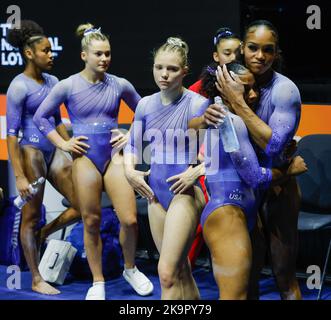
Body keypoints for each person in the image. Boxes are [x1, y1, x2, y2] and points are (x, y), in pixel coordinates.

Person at [33, 23, 153, 300]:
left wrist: (129, 135)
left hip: (112, 158)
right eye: (98, 54)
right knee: (91, 220)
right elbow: (41, 117)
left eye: (108, 53)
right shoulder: (68, 86)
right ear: (84, 56)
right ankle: (97, 281)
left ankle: (130, 268)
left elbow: (145, 111)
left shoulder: (120, 84)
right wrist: (63, 143)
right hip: (85, 158)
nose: (104, 59)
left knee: (130, 219)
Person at [189, 61, 307, 299]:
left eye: (255, 89)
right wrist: (289, 171)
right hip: (227, 212)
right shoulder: (226, 120)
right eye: (245, 89)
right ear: (225, 88)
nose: (252, 95)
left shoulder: (233, 118)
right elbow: (253, 177)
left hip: (244, 212)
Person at [215, 20, 306, 300]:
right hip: (243, 188)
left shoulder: (285, 91)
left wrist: (238, 103)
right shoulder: (230, 79)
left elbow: (274, 146)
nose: (260, 56)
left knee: (283, 276)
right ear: (242, 49)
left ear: (276, 53)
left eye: (268, 50)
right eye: (253, 48)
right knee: (247, 277)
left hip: (279, 184)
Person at [124, 37, 207, 299]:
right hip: (155, 196)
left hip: (185, 194)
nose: (164, 74)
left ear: (184, 71)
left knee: (166, 273)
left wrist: (194, 172)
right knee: (180, 270)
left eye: (171, 69)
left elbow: (218, 155)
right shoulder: (145, 104)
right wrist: (129, 171)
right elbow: (132, 146)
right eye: (159, 67)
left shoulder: (197, 105)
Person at [6, 20, 81, 295]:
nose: (51, 55)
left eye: (52, 50)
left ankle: (43, 233)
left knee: (82, 205)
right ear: (29, 53)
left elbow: (57, 119)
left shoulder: (54, 82)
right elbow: (11, 136)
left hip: (53, 151)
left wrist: (69, 146)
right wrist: (20, 176)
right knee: (31, 214)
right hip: (31, 152)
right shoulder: (18, 87)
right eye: (46, 51)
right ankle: (36, 279)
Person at [185, 27, 242, 266]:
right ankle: (182, 269)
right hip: (207, 165)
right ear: (216, 57)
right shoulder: (198, 89)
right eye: (227, 53)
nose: (233, 58)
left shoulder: (249, 85)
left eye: (237, 53)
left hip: (242, 165)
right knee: (201, 210)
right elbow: (186, 127)